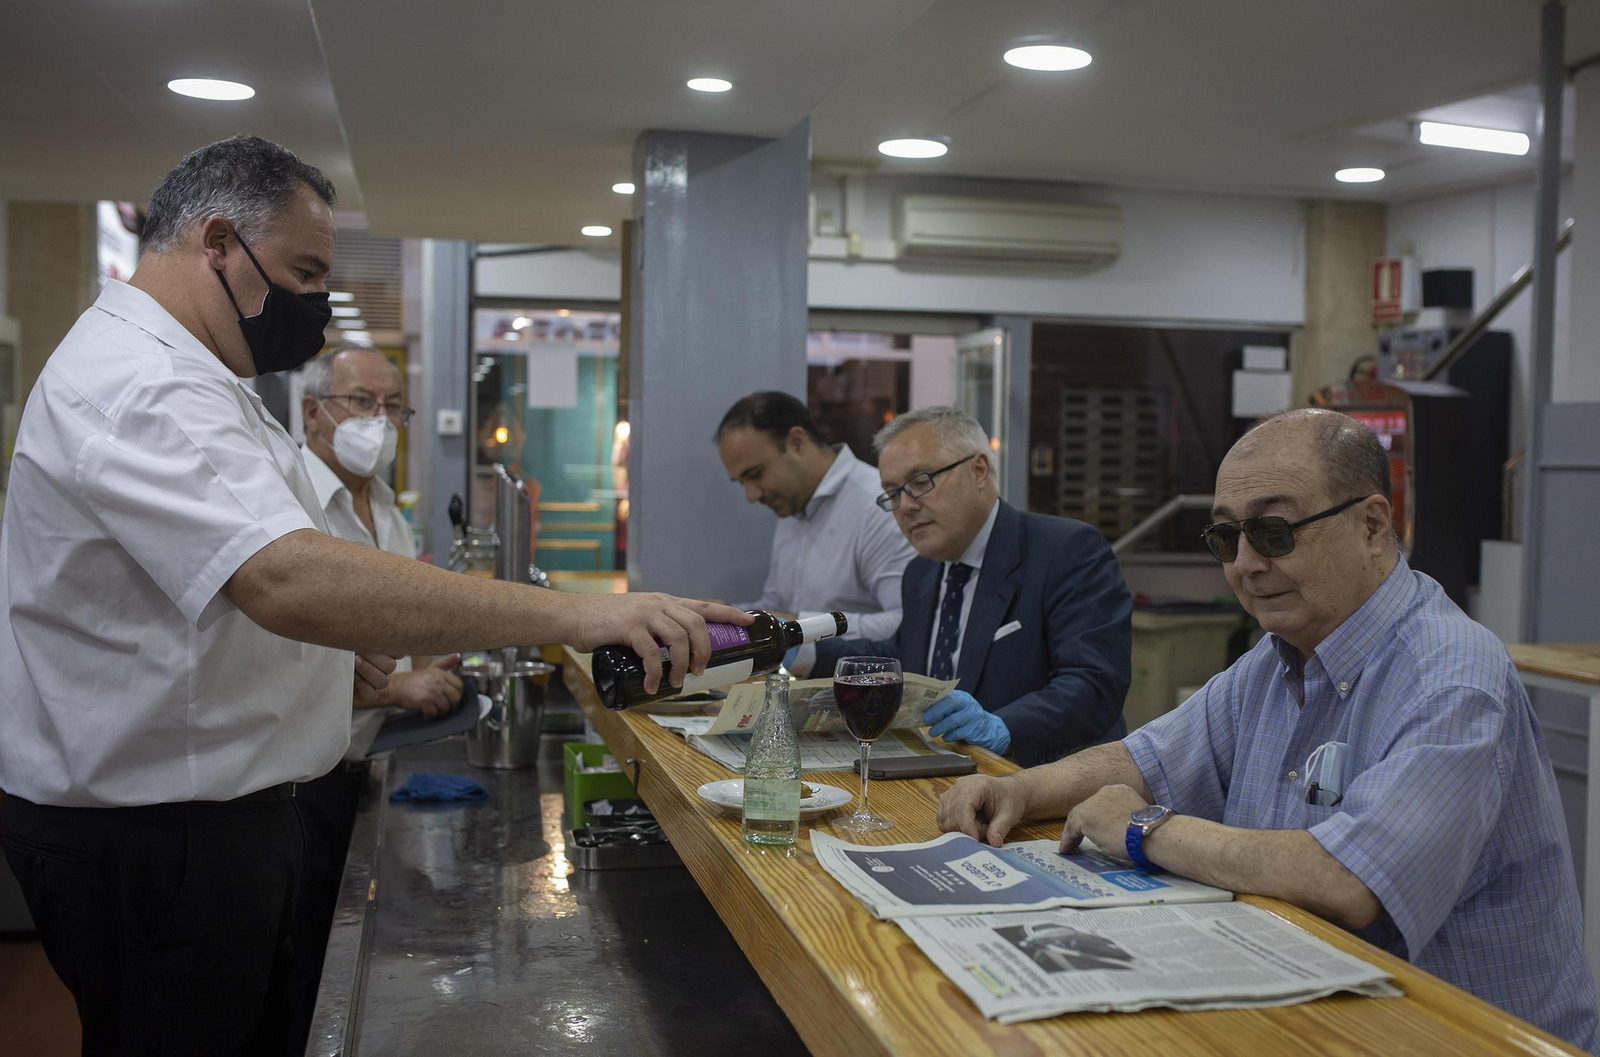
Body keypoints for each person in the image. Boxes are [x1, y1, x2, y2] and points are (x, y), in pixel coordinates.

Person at [0, 134, 744, 1057]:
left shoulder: (204, 373)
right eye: (305, 274)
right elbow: (288, 574)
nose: (314, 306)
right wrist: (581, 615)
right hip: (162, 837)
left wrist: (317, 659)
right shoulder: (141, 382)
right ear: (219, 242)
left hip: (202, 818)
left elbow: (219, 586)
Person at [936, 408, 1599, 1051]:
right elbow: (1144, 759)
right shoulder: (1279, 654)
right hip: (1314, 1010)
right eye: (1227, 538)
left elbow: (1350, 879)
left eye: (1275, 533)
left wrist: (1146, 830)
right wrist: (1022, 790)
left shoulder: (1450, 673)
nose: (1245, 565)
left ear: (1372, 524)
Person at [289, 345, 466, 1042]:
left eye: (394, 406)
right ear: (313, 413)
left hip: (359, 763)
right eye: (362, 402)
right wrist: (396, 684)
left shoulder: (386, 506)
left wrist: (433, 655)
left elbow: (402, 616)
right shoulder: (291, 501)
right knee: (298, 974)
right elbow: (292, 655)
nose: (381, 421)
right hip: (299, 784)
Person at [795, 405, 1131, 767]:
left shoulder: (1065, 550)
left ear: (979, 470)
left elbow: (1094, 684)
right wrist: (798, 648)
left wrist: (1006, 727)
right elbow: (904, 656)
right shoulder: (921, 573)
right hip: (943, 776)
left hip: (1045, 782)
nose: (905, 506)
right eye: (892, 494)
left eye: (921, 482)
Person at [716, 391, 915, 641]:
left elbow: (905, 623)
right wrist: (725, 614)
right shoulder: (792, 503)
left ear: (797, 442)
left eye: (756, 474)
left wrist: (798, 626)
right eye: (741, 482)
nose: (751, 495)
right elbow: (778, 602)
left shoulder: (877, 504)